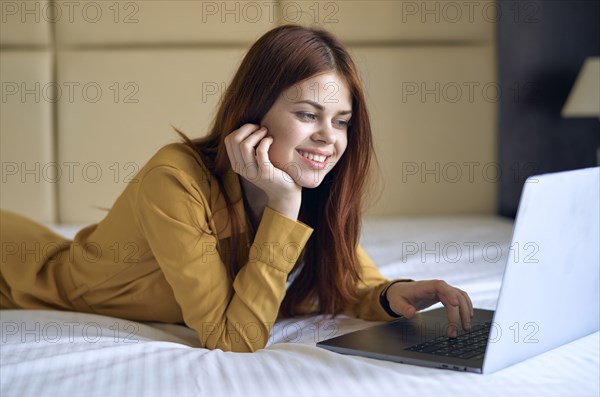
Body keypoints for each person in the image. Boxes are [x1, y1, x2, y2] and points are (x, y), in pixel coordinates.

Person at [0, 24, 473, 352]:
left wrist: (398, 294)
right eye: (307, 115)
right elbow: (233, 338)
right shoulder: (175, 179)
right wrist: (285, 206)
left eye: (342, 122)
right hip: (17, 276)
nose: (329, 138)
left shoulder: (312, 185)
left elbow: (348, 282)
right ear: (253, 113)